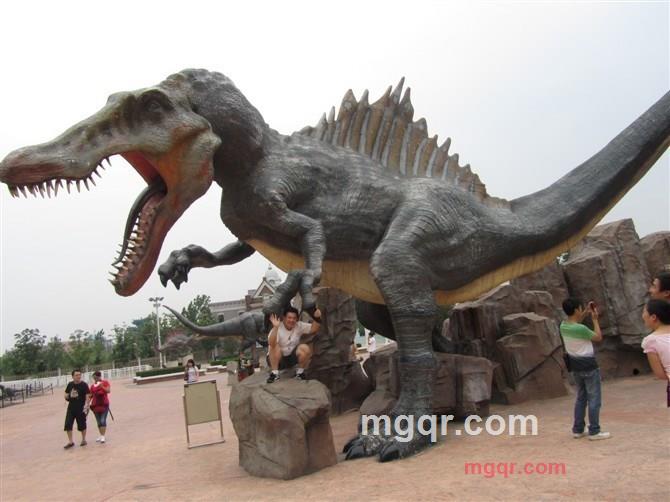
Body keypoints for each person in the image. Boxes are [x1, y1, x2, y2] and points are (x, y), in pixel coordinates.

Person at [560, 298, 611, 441]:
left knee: (581, 398)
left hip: (575, 366)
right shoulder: (581, 329)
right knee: (594, 399)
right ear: (576, 309)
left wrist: (586, 312)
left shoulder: (563, 326)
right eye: (580, 308)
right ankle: (594, 431)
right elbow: (598, 337)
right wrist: (594, 320)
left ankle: (578, 429)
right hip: (589, 366)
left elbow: (576, 321)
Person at [267, 306, 321, 383]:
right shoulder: (278, 327)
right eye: (289, 318)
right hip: (278, 360)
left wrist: (317, 318)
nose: (291, 320)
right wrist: (275, 328)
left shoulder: (298, 325)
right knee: (275, 346)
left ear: (297, 319)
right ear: (284, 318)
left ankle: (300, 373)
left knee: (304, 348)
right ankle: (274, 373)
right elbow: (271, 344)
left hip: (291, 358)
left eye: (294, 318)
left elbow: (313, 329)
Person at [641, 299, 670, 407]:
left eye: (644, 312)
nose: (643, 316)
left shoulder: (651, 341)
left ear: (653, 317)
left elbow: (660, 374)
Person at [63, 369, 91, 449]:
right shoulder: (70, 384)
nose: (78, 376)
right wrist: (69, 395)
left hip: (81, 408)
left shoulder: (84, 385)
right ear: (72, 376)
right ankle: (70, 441)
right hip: (71, 408)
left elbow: (88, 395)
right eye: (76, 375)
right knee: (68, 424)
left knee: (82, 424)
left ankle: (83, 439)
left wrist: (87, 405)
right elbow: (65, 395)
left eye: (79, 375)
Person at [89, 371, 111, 444]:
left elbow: (108, 391)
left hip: (104, 404)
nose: (95, 379)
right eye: (94, 378)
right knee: (98, 421)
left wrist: (102, 387)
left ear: (99, 376)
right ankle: (101, 435)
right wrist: (87, 402)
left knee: (102, 420)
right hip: (95, 405)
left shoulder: (105, 382)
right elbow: (90, 395)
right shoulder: (92, 386)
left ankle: (103, 436)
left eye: (96, 377)